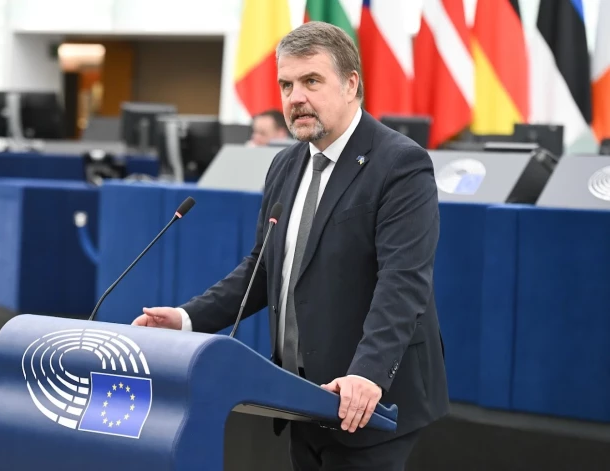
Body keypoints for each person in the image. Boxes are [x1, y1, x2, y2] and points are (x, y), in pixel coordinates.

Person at [133, 20, 449, 471]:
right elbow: (264, 269)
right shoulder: (285, 164)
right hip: (302, 398)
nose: (295, 97)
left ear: (351, 85)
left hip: (368, 401)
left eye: (311, 81)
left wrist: (367, 374)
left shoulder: (400, 164)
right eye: (286, 85)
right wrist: (186, 319)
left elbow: (403, 283)